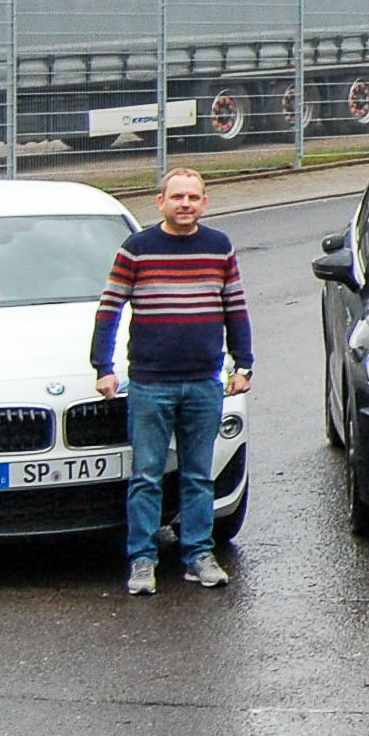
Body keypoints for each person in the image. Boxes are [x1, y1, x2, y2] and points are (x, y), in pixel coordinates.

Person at [91, 166, 253, 597]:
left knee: (199, 475)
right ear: (160, 202)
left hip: (204, 382)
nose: (185, 204)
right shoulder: (137, 249)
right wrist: (103, 367)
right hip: (150, 384)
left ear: (204, 203)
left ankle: (198, 554)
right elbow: (109, 310)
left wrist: (243, 366)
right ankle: (142, 560)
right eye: (177, 197)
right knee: (146, 475)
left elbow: (235, 309)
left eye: (193, 197)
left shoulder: (219, 248)